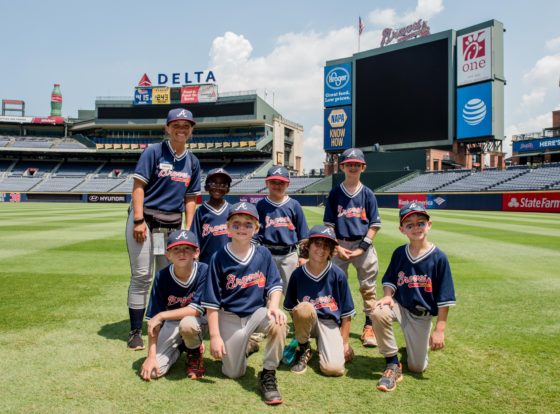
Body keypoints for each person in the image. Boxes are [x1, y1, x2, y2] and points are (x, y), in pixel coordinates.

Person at [126, 108, 201, 350]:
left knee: (168, 277)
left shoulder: (192, 161)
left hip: (170, 227)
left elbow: (191, 198)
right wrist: (138, 220)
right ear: (167, 128)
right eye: (176, 124)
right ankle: (136, 331)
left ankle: (167, 326)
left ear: (191, 130)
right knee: (142, 276)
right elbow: (138, 187)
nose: (182, 128)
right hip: (145, 221)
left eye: (186, 125)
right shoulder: (154, 152)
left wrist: (187, 229)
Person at [201, 202, 287, 405]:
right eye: (236, 223)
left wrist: (273, 307)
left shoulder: (263, 254)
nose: (242, 228)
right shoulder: (218, 258)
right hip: (229, 316)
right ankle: (247, 345)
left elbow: (275, 285)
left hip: (256, 313)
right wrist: (214, 337)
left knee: (279, 322)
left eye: (248, 224)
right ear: (227, 227)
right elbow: (212, 302)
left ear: (256, 228)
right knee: (233, 373)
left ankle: (268, 373)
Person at [372, 203, 456, 392]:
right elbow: (390, 279)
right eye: (409, 225)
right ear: (402, 229)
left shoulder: (438, 258)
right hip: (400, 307)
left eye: (420, 223)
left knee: (417, 367)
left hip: (422, 315)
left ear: (429, 225)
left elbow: (445, 297)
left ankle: (418, 342)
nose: (416, 227)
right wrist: (387, 296)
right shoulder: (400, 253)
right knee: (378, 311)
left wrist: (440, 330)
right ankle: (392, 362)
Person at [323, 148, 381, 347]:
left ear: (363, 167)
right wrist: (337, 247)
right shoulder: (335, 193)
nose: (353, 167)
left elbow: (374, 225)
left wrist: (362, 247)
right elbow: (329, 224)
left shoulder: (368, 194)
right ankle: (338, 322)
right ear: (343, 167)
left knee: (368, 288)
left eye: (357, 164)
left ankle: (369, 325)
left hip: (362, 245)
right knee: (336, 286)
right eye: (349, 164)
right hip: (339, 244)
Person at [283, 225, 356, 376]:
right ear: (308, 246)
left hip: (329, 323)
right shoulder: (297, 275)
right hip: (307, 320)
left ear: (331, 251)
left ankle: (325, 345)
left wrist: (344, 343)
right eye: (317, 244)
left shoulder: (338, 274)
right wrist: (302, 330)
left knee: (334, 369)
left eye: (326, 246)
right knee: (304, 308)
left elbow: (346, 313)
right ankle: (304, 347)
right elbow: (291, 309)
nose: (321, 249)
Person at [140, 230, 208, 381]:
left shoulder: (204, 270)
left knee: (188, 324)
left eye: (187, 248)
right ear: (168, 254)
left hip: (200, 320)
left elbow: (196, 310)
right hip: (172, 322)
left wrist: (162, 315)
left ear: (196, 253)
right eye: (176, 249)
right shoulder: (162, 277)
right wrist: (151, 356)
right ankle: (181, 347)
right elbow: (153, 321)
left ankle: (194, 351)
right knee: (154, 372)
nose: (182, 253)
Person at [256, 165, 309, 291]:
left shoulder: (294, 205)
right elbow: (255, 233)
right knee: (263, 292)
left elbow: (303, 234)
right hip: (266, 254)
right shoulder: (261, 205)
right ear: (267, 183)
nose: (278, 186)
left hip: (289, 255)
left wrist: (303, 256)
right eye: (274, 182)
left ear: (288, 184)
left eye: (282, 183)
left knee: (293, 293)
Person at [191, 168, 232, 265]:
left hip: (230, 262)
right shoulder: (200, 211)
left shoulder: (232, 210)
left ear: (228, 189)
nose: (218, 187)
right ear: (206, 187)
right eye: (213, 183)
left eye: (223, 184)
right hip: (207, 263)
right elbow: (195, 239)